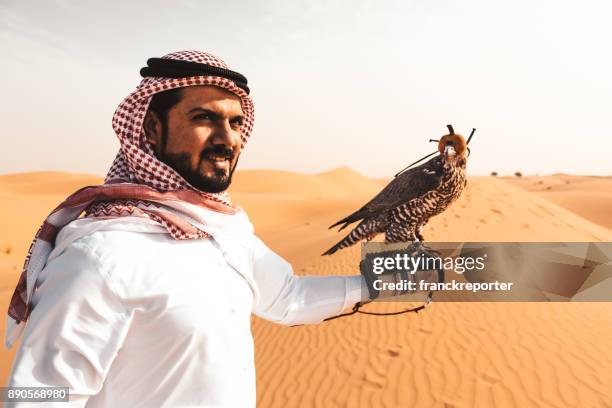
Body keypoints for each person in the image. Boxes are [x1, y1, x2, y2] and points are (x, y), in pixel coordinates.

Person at [5, 50, 368, 407]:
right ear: (150, 128)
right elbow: (33, 395)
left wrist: (415, 274)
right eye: (203, 118)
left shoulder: (224, 230)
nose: (227, 139)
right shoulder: (102, 256)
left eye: (236, 122)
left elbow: (289, 297)